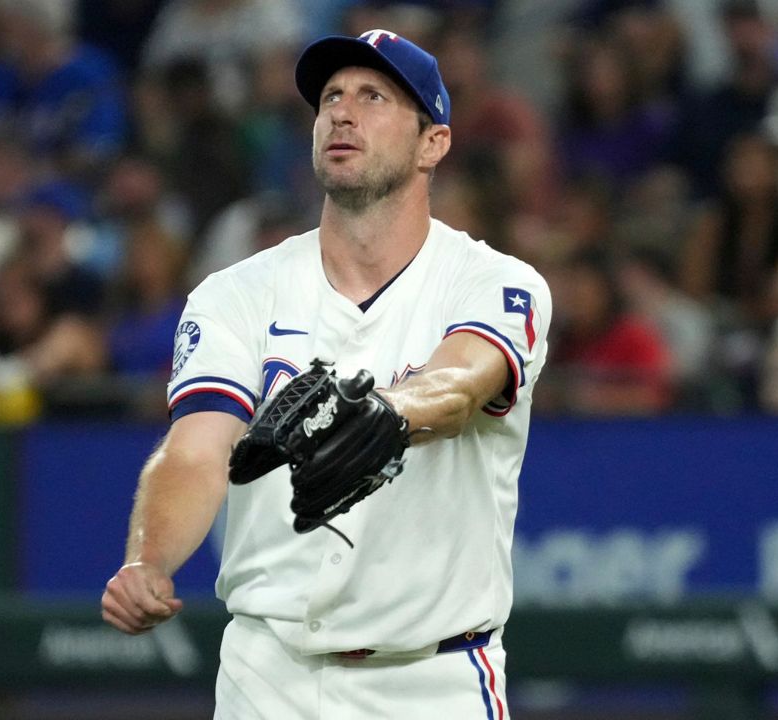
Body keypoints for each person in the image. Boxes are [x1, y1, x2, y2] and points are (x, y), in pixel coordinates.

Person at [102, 29, 553, 718]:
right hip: (267, 672)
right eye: (330, 98)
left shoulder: (493, 282)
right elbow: (195, 450)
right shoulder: (236, 293)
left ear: (433, 142)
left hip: (431, 679)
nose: (342, 112)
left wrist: (383, 417)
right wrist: (149, 558)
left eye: (374, 97)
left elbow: (461, 385)